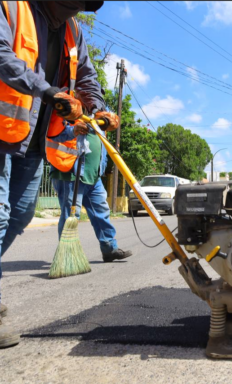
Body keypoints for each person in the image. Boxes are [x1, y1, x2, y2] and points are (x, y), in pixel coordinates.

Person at [0, 1, 119, 348]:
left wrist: (98, 108)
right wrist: (49, 92)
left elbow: (86, 77)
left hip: (33, 139)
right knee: (1, 215)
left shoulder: (73, 31)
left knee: (20, 215)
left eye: (82, 5)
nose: (77, 9)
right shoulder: (10, 7)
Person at [50, 118, 133, 263]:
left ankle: (109, 249)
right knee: (71, 216)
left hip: (93, 176)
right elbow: (55, 134)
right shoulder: (70, 107)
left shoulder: (99, 117)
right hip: (70, 173)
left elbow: (101, 147)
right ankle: (66, 256)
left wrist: (100, 169)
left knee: (102, 212)